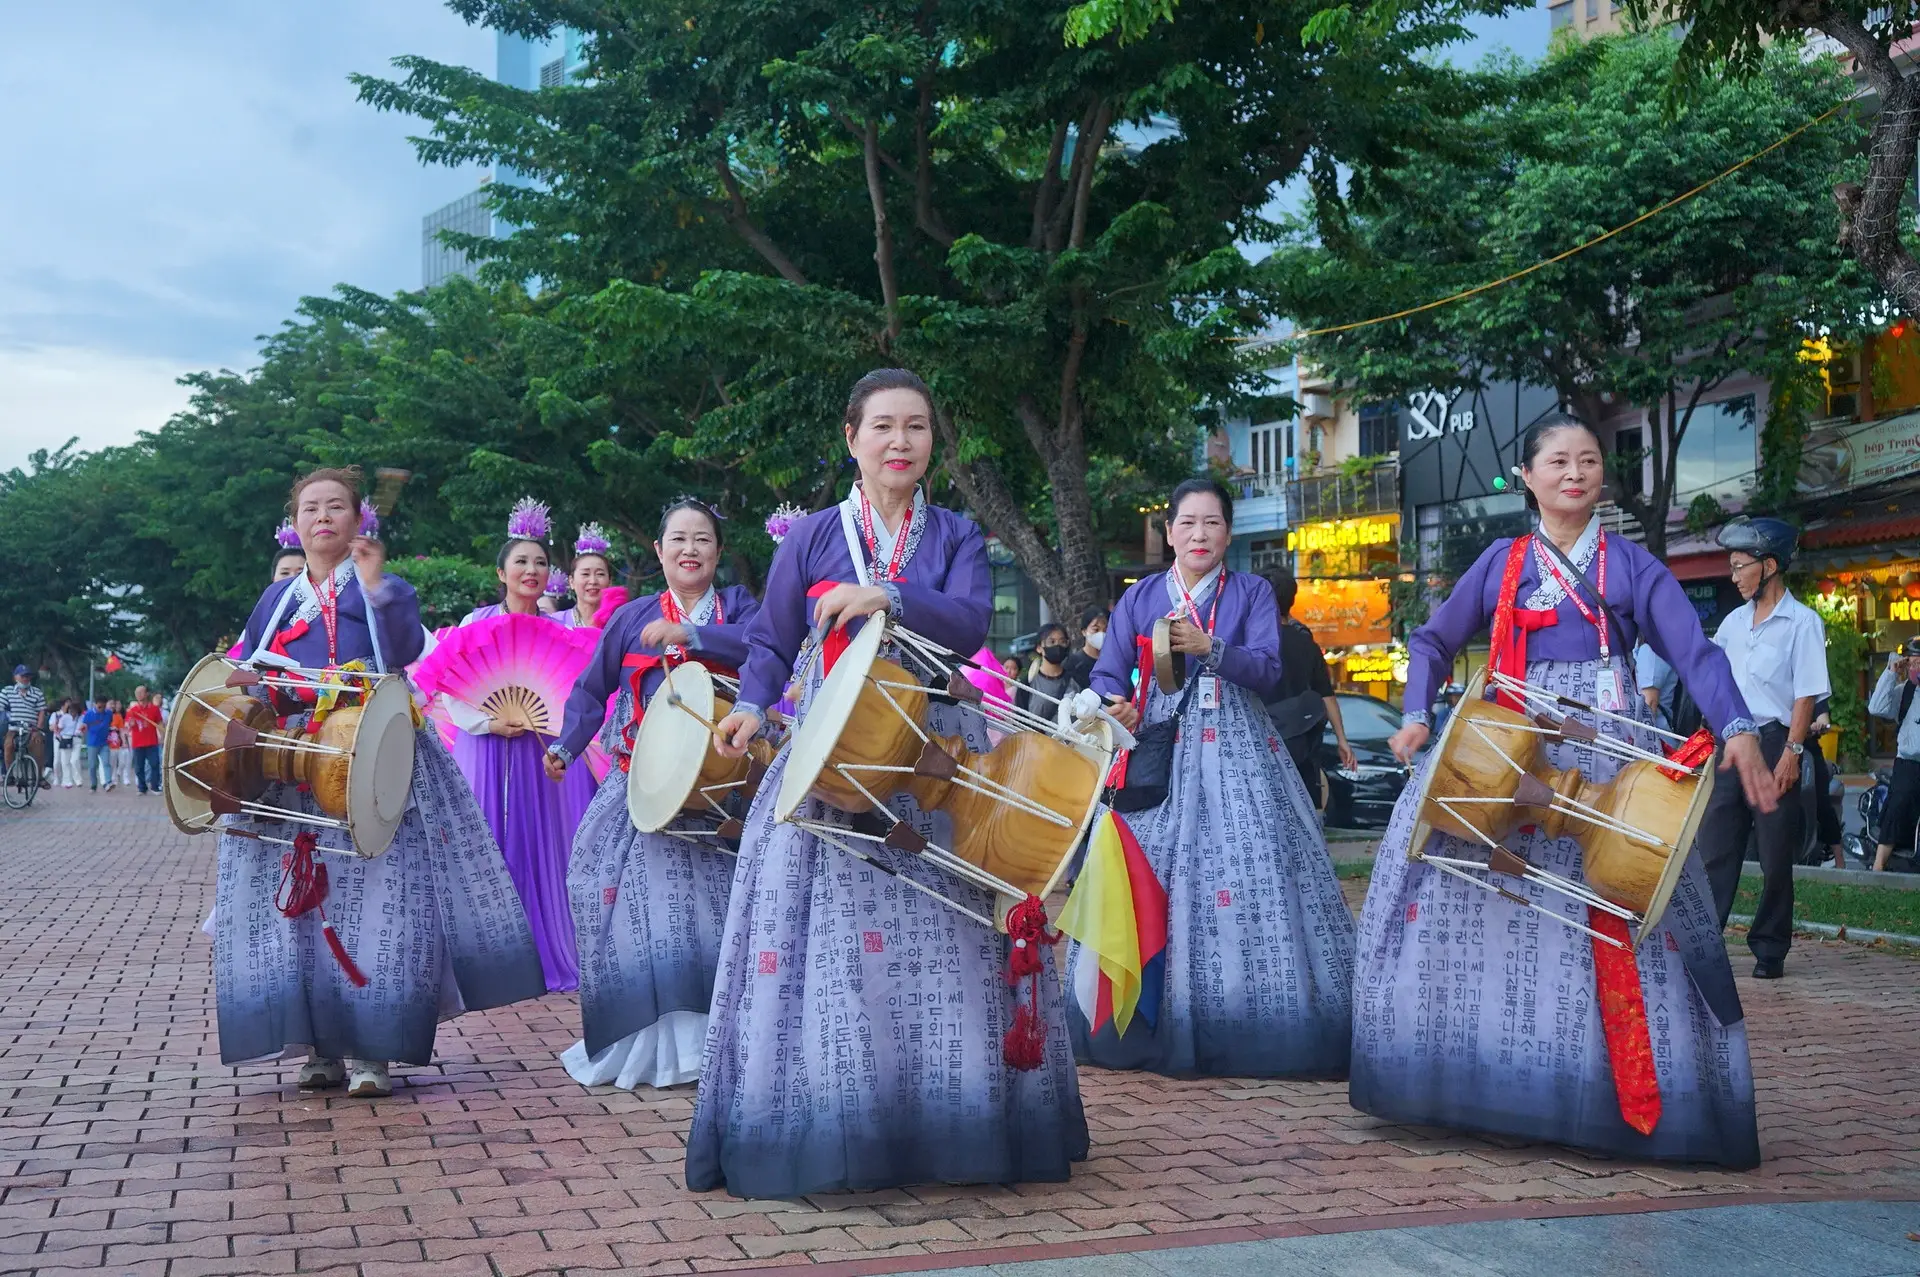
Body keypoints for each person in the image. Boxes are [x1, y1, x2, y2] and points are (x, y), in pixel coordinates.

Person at [689, 368, 1086, 1197]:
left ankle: (956, 1115)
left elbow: (973, 621)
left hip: (936, 748)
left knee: (952, 938)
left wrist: (891, 595)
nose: (900, 442)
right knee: (827, 941)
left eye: (916, 427)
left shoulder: (956, 534)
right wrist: (754, 710)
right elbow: (770, 640)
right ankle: (840, 1112)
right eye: (883, 427)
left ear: (932, 443)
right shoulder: (810, 535)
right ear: (851, 438)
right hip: (828, 757)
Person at [1353, 417, 1776, 1169]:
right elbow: (1431, 640)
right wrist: (1417, 713)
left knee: (1621, 900)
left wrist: (1735, 725)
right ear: (1526, 475)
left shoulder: (1634, 565)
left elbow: (1694, 650)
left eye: (1588, 460)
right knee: (1500, 912)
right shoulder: (1500, 560)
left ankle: (1614, 1092)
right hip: (1512, 745)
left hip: (1609, 747)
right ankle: (1501, 1082)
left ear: (1602, 478)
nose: (1574, 473)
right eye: (1557, 461)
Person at [215, 466, 545, 1098]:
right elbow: (247, 666)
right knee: (305, 905)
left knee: (376, 902)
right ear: (295, 522)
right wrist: (240, 682)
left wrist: (374, 586)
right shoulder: (277, 599)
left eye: (335, 507)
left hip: (372, 761)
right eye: (310, 508)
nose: (321, 518)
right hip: (295, 768)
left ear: (357, 519)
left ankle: (373, 1050)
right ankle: (318, 1049)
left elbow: (400, 652)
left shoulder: (386, 588)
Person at [1070, 478, 1355, 1079]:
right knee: (1146, 874)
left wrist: (1211, 647)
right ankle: (1143, 1018)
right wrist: (1113, 702)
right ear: (1169, 532)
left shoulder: (1250, 592)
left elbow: (1270, 669)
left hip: (1239, 750)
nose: (1200, 535)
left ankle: (1249, 1017)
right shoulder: (1141, 596)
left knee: (1252, 869)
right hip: (1156, 755)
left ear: (1230, 532)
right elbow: (1108, 672)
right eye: (1188, 523)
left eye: (1213, 524)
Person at [544, 499, 760, 1090]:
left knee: (715, 911)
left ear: (718, 553)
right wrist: (566, 746)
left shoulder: (739, 608)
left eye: (703, 540)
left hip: (723, 782)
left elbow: (764, 648)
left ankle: (721, 1041)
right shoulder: (630, 617)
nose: (690, 549)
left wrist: (692, 634)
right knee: (610, 892)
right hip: (642, 781)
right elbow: (592, 690)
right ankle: (648, 1038)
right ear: (659, 552)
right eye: (678, 540)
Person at [443, 498, 580, 993]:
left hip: (535, 752)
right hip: (482, 747)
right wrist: (488, 723)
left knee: (536, 841)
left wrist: (554, 737)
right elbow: (451, 690)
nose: (532, 569)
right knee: (482, 840)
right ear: (500, 572)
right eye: (521, 561)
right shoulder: (474, 623)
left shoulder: (559, 630)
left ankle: (539, 951)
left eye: (541, 562)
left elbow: (571, 696)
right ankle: (481, 957)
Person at [1697, 517, 1827, 979]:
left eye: (1739, 567)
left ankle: (1770, 949)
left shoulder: (1803, 623)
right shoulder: (1732, 623)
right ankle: (1704, 943)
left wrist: (1793, 751)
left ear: (1768, 565)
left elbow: (1807, 694)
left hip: (1775, 742)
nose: (1733, 577)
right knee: (1714, 846)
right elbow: (1715, 683)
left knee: (1774, 856)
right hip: (1731, 743)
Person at [1263, 566, 1357, 811]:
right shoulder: (1307, 643)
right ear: (1291, 601)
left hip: (1262, 744)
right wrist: (1342, 740)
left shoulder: (1253, 644)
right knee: (1304, 809)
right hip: (1302, 743)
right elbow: (1326, 694)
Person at [1867, 637, 1920, 872]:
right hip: (1908, 762)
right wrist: (1891, 673)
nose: (1914, 668)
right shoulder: (1903, 692)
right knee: (1898, 802)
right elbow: (1876, 707)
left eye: (1918, 662)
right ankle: (1878, 865)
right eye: (1911, 663)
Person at [1015, 622, 1080, 716]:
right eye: (1051, 642)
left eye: (1062, 641)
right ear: (1039, 648)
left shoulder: (1075, 680)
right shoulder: (1027, 684)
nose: (1058, 646)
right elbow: (1020, 721)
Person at [2, 668, 50, 787]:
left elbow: (41, 712)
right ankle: (9, 775)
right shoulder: (7, 691)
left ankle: (38, 777)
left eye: (28, 676)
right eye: (23, 676)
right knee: (8, 745)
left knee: (38, 745)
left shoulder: (37, 692)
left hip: (31, 728)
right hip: (13, 728)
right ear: (15, 677)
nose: (25, 678)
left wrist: (38, 729)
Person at [125, 686, 163, 794]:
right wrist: (130, 724)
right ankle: (142, 788)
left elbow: (159, 723)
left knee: (155, 764)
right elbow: (128, 725)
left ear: (146, 694)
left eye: (141, 692)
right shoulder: (132, 711)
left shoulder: (154, 709)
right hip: (138, 743)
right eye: (137, 693)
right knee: (138, 767)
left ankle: (155, 786)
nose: (139, 694)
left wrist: (162, 737)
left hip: (152, 742)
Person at [1061, 606, 1108, 690]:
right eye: (1096, 629)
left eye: (1105, 630)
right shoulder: (1073, 663)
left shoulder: (1114, 661)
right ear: (1084, 631)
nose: (1101, 634)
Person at [81, 695, 113, 791]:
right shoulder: (89, 714)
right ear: (95, 704)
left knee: (106, 762)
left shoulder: (108, 713)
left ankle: (108, 782)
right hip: (92, 743)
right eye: (99, 707)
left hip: (104, 743)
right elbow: (84, 725)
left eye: (103, 707)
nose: (101, 709)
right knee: (92, 766)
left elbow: (109, 723)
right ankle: (93, 784)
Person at [108, 699, 131, 789]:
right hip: (108, 743)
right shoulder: (105, 716)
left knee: (122, 762)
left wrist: (124, 741)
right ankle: (113, 779)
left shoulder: (118, 716)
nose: (114, 706)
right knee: (112, 762)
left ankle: (118, 773)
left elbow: (121, 730)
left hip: (118, 742)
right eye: (112, 704)